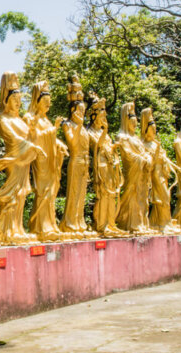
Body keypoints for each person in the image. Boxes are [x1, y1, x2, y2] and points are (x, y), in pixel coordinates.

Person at [0, 72, 42, 245]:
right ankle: (6, 230)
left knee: (22, 194)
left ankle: (17, 228)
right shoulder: (3, 119)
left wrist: (32, 133)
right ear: (6, 100)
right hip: (14, 159)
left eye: (20, 99)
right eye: (14, 98)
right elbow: (13, 139)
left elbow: (29, 137)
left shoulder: (20, 120)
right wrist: (30, 145)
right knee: (13, 195)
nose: (18, 102)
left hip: (24, 161)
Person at [26, 81, 68, 242]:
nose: (47, 105)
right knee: (43, 191)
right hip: (41, 160)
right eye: (44, 102)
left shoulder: (46, 120)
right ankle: (39, 226)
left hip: (51, 161)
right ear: (36, 101)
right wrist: (54, 129)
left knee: (51, 193)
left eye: (49, 103)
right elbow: (35, 137)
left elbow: (52, 139)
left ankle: (50, 224)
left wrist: (60, 144)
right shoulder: (31, 117)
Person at [59, 76, 96, 239]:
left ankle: (79, 222)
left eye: (84, 112)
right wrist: (79, 124)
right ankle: (69, 223)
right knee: (74, 193)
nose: (82, 114)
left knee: (82, 194)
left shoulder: (84, 129)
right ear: (73, 111)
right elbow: (72, 145)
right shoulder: (68, 125)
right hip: (75, 161)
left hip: (85, 163)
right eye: (80, 111)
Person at [87, 92, 127, 238]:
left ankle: (111, 223)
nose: (103, 118)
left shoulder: (105, 133)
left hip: (110, 165)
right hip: (100, 166)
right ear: (94, 115)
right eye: (101, 114)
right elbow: (96, 146)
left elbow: (108, 147)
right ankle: (101, 224)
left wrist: (115, 146)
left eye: (104, 115)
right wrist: (105, 131)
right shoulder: (90, 131)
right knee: (103, 196)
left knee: (111, 196)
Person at [141, 108, 181, 235]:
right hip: (154, 176)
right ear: (146, 129)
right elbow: (149, 163)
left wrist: (175, 167)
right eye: (152, 129)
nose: (154, 131)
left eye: (155, 129)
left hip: (162, 175)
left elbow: (164, 159)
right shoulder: (144, 145)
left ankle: (163, 222)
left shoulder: (155, 144)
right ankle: (162, 223)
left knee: (166, 197)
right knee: (162, 198)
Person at [115, 102, 154, 235]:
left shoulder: (136, 138)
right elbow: (128, 154)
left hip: (142, 172)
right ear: (126, 119)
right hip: (133, 170)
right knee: (132, 195)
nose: (134, 123)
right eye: (131, 119)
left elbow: (144, 152)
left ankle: (142, 222)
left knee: (142, 197)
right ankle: (130, 223)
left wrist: (148, 158)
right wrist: (142, 159)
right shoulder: (122, 137)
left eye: (135, 120)